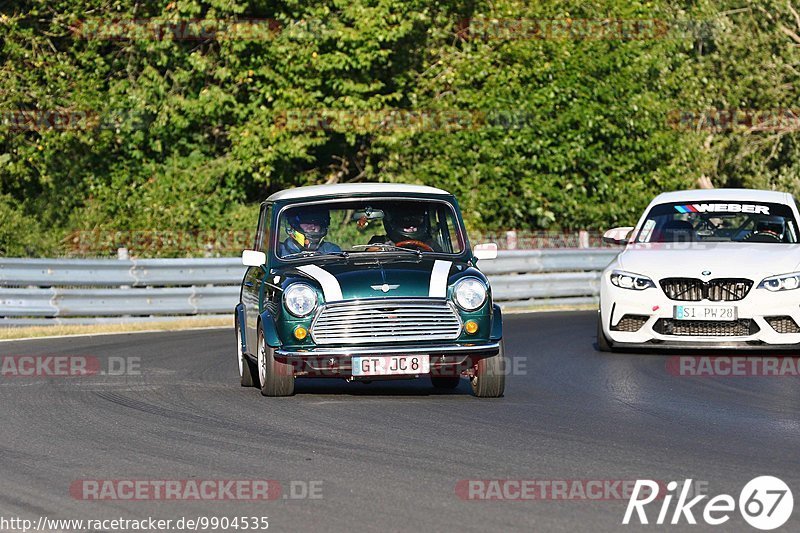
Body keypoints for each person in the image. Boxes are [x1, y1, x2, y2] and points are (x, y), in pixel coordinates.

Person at [370, 204, 442, 252]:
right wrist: (381, 251)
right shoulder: (380, 242)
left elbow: (443, 264)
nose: (411, 227)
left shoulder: (430, 244)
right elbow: (370, 261)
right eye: (404, 222)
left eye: (417, 221)